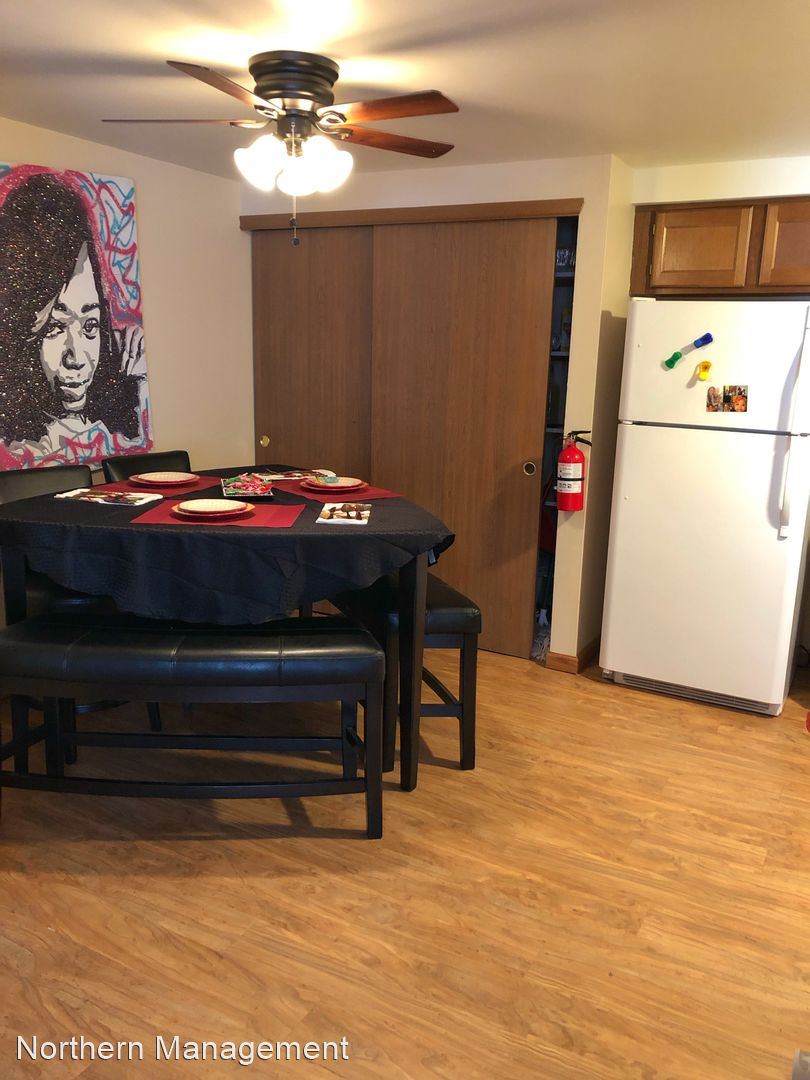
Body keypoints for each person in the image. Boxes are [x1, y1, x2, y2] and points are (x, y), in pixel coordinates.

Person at [0, 171, 150, 466]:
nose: (77, 358)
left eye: (90, 325)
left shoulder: (112, 416)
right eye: (55, 327)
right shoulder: (15, 445)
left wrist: (137, 386)